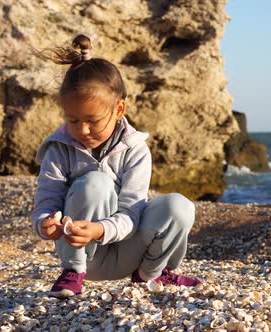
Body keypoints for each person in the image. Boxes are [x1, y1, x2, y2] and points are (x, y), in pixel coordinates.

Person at [31, 34, 204, 298]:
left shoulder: (135, 149)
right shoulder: (58, 149)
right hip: (84, 255)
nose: (82, 129)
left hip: (131, 253)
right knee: (95, 182)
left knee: (179, 206)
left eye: (93, 120)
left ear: (119, 109)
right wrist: (46, 224)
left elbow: (132, 213)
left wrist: (101, 229)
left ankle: (151, 275)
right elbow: (46, 201)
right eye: (73, 120)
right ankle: (73, 273)